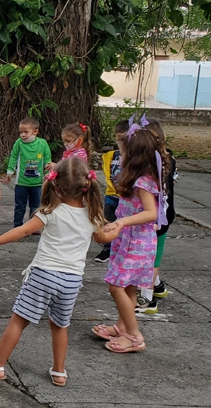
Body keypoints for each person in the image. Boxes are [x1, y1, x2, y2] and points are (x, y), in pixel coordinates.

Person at [0, 158, 110, 386]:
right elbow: (103, 237)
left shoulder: (50, 211)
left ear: (56, 185)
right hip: (72, 280)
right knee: (60, 325)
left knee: (18, 321)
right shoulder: (92, 215)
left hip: (43, 275)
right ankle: (59, 371)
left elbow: (23, 231)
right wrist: (118, 227)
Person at [92, 118, 167, 353]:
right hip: (128, 239)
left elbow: (151, 213)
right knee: (129, 287)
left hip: (137, 242)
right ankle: (123, 327)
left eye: (122, 152)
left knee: (116, 286)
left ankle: (134, 335)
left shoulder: (144, 181)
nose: (118, 156)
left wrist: (122, 221)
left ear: (135, 156)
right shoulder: (135, 176)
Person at [135, 118, 177, 314]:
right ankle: (158, 287)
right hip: (164, 215)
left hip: (157, 219)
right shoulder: (168, 159)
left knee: (152, 261)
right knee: (155, 256)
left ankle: (147, 300)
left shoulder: (151, 165)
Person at [2, 117, 52, 228]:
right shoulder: (19, 143)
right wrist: (10, 172)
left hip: (37, 184)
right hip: (21, 183)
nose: (22, 135)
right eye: (20, 132)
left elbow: (48, 159)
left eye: (26, 132)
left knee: (36, 207)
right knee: (20, 206)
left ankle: (32, 227)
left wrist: (49, 174)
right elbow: (13, 157)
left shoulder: (42, 144)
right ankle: (18, 226)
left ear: (36, 131)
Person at [96, 120, 130, 263]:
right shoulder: (113, 155)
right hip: (112, 194)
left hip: (126, 197)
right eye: (117, 137)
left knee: (123, 223)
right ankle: (107, 248)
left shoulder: (135, 157)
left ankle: (122, 248)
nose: (119, 140)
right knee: (108, 220)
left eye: (123, 137)